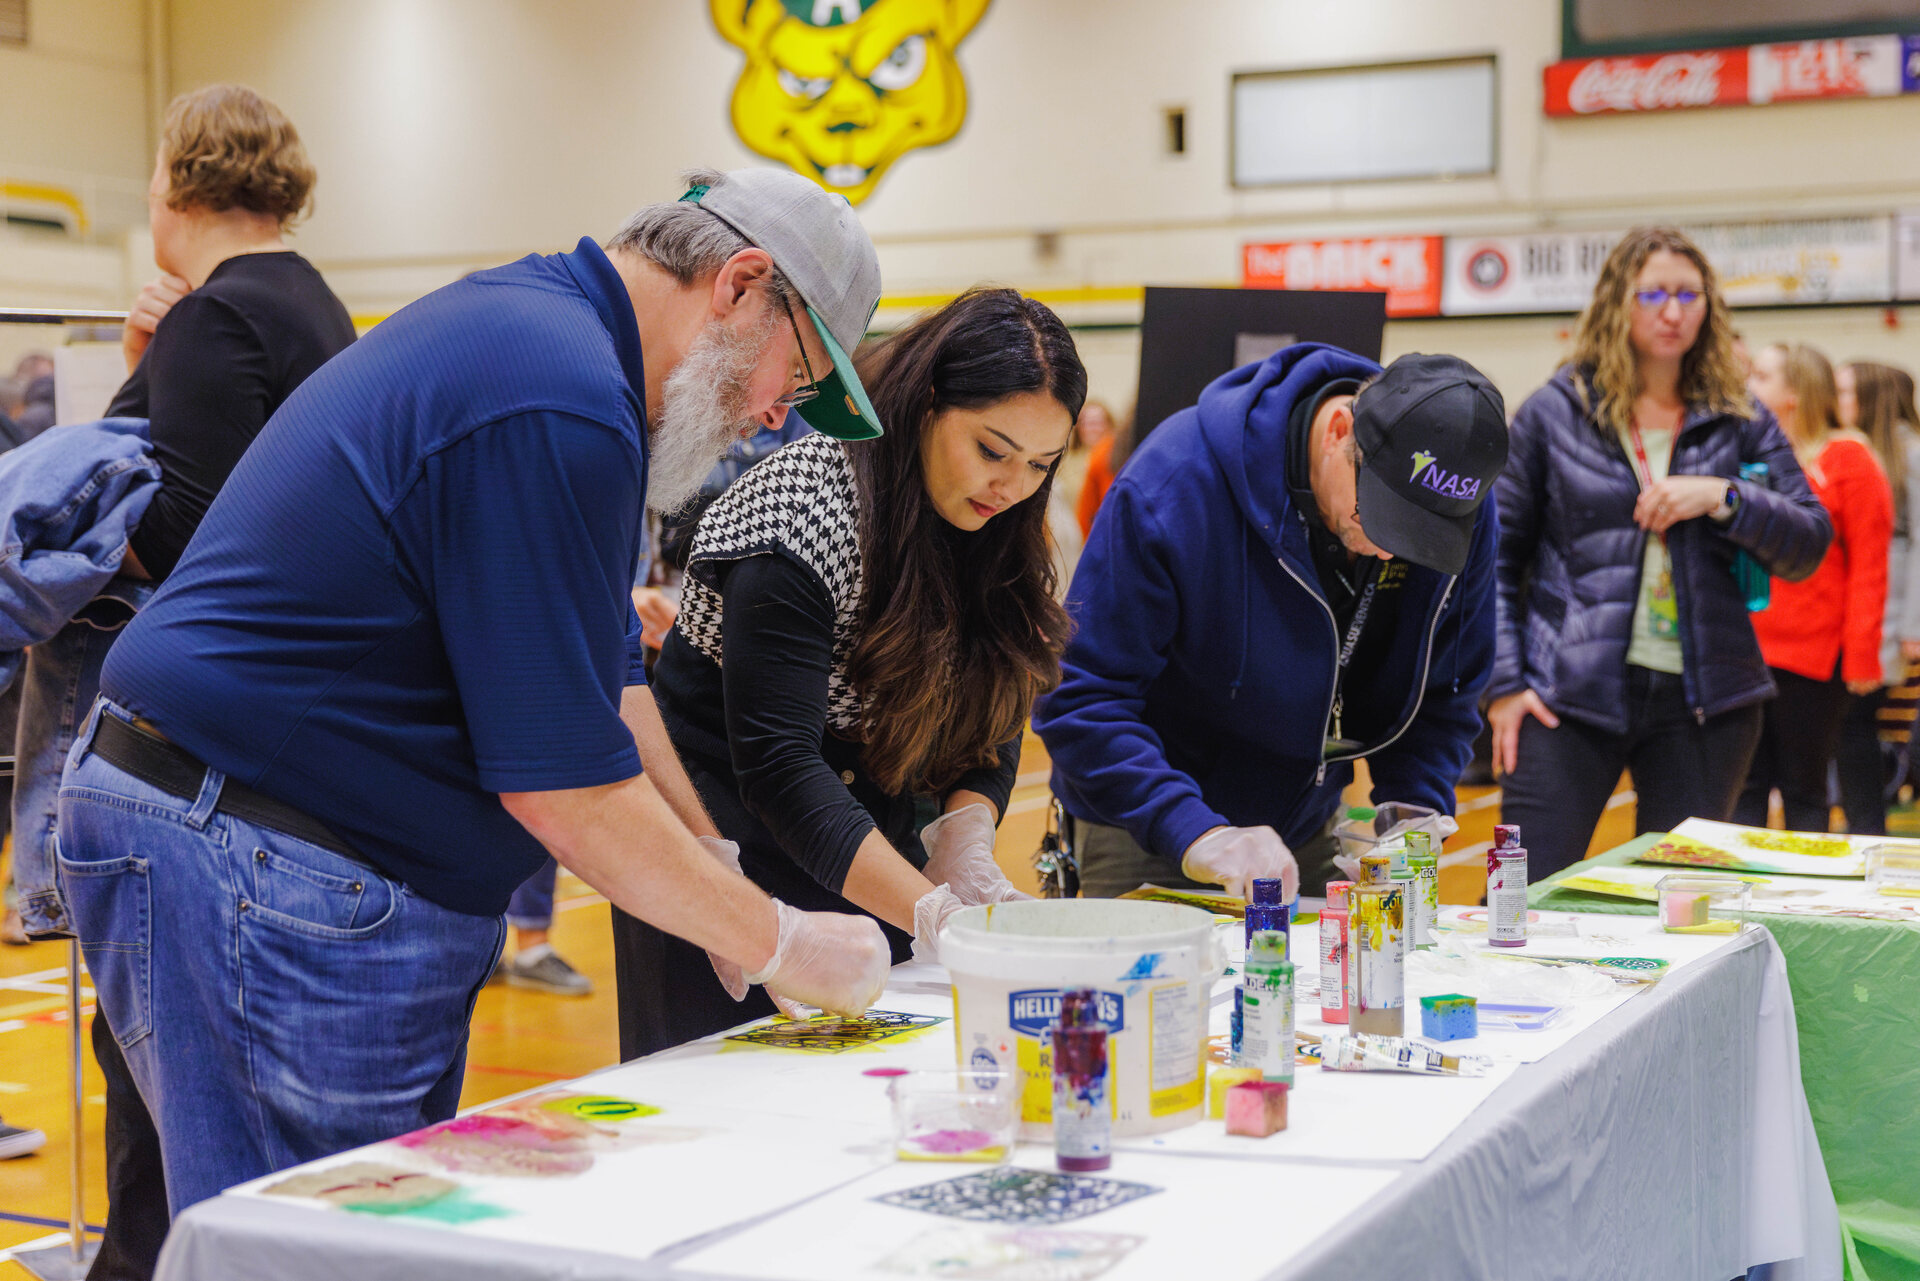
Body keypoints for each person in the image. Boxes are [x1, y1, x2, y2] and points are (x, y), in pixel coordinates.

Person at [56, 167, 893, 1235]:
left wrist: (706, 859)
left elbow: (608, 675)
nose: (775, 411)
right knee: (318, 1257)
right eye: (798, 374)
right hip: (267, 856)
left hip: (265, 841)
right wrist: (780, 937)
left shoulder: (553, 349)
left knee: (339, 1244)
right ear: (740, 284)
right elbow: (564, 790)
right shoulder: (562, 393)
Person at [3, 84, 359, 1281]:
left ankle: (143, 1262)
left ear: (176, 185)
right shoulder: (307, 304)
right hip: (275, 728)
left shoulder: (225, 315)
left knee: (141, 1035)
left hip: (172, 724)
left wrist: (77, 539)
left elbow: (202, 523)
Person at [618, 288, 1085, 1057]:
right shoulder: (798, 512)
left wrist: (965, 833)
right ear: (928, 402)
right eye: (993, 450)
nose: (1012, 486)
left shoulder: (994, 520)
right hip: (727, 851)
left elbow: (994, 694)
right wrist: (933, 911)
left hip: (867, 857)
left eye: (1041, 463)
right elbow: (780, 768)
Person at [1035, 344, 1508, 901]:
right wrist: (1197, 832)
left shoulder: (1455, 511)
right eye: (1375, 515)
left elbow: (1445, 694)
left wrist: (1412, 810)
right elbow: (1081, 699)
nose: (1387, 550)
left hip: (1306, 825)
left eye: (1417, 539)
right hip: (1145, 827)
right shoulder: (1174, 484)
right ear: (1338, 431)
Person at [1491, 229, 1831, 879]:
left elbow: (1808, 541)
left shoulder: (1739, 415)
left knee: (1676, 912)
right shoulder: (1555, 412)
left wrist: (1725, 496)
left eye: (1688, 294)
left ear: (1709, 307)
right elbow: (1493, 559)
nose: (1672, 312)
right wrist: (1505, 685)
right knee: (1518, 894)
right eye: (1653, 293)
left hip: (1707, 705)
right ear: (1617, 302)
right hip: (1566, 694)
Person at [1734, 344, 1893, 832]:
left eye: (1761, 377)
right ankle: (1741, 898)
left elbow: (1870, 564)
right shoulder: (1748, 453)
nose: (1749, 387)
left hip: (1813, 656)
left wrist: (1862, 653)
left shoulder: (1849, 458)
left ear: (1794, 394)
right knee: (1742, 790)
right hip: (1743, 649)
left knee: (1804, 789)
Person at [1834, 361, 1920, 834]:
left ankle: (1866, 829)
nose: (1837, 400)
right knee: (1851, 725)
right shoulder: (1861, 451)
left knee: (1856, 720)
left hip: (1892, 608)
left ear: (1871, 397)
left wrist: (1914, 627)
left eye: (1845, 391)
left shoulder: (1910, 452)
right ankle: (1863, 826)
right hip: (1865, 604)